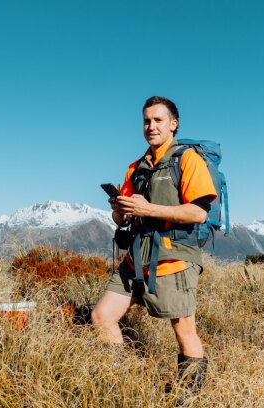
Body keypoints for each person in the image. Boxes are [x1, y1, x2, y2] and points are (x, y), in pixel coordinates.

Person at [91, 96, 217, 394]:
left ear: (173, 125)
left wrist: (149, 210)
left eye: (158, 120)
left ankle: (189, 395)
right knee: (101, 317)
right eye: (147, 121)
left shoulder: (187, 160)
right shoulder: (136, 168)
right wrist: (120, 209)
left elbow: (198, 212)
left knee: (184, 330)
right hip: (137, 258)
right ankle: (120, 382)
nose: (151, 126)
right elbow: (121, 218)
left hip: (173, 259)